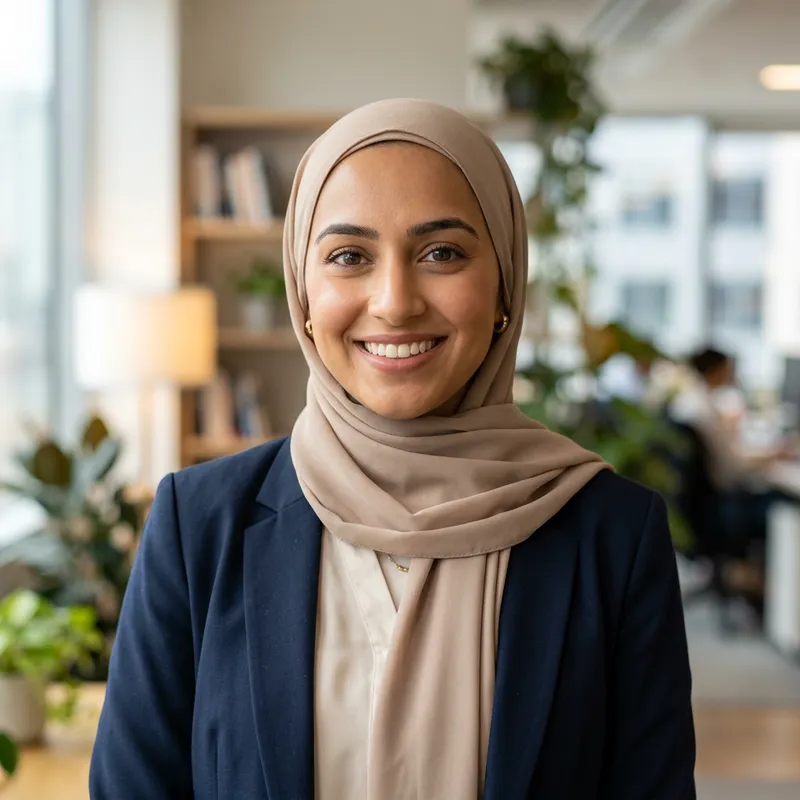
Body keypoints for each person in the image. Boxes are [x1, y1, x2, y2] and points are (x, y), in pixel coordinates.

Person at [89, 100, 695, 799]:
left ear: (503, 284)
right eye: (349, 256)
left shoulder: (612, 536)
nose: (395, 301)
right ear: (303, 293)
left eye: (443, 252)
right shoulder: (198, 526)